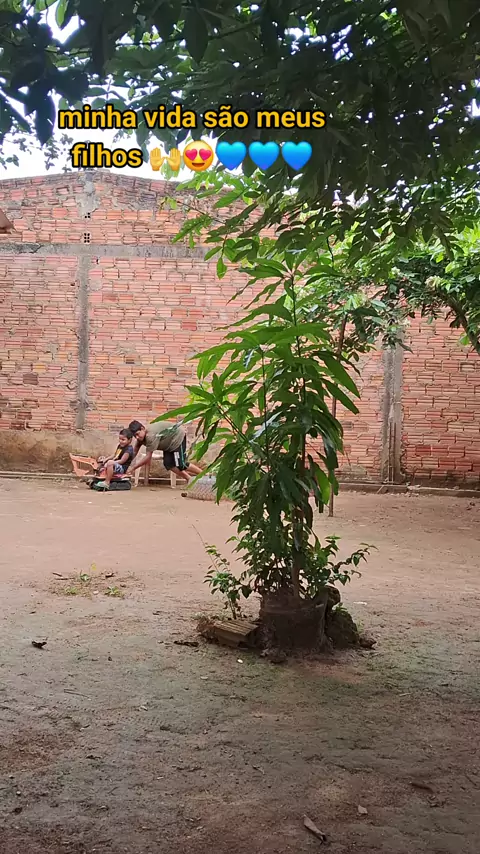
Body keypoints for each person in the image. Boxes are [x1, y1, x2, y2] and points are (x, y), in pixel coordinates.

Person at [128, 419, 202, 483]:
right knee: (168, 464)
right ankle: (190, 480)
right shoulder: (140, 438)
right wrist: (127, 464)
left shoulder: (150, 436)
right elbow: (134, 451)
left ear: (142, 428)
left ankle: (204, 474)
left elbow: (148, 457)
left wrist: (133, 468)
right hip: (168, 443)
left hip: (177, 438)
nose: (137, 437)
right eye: (135, 436)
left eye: (137, 434)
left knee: (181, 464)